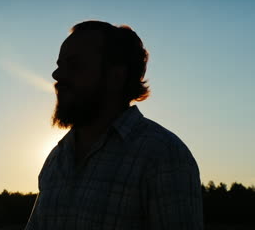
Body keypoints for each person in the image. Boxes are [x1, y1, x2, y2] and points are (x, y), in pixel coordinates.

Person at [25, 20, 203, 229]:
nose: (57, 75)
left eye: (74, 65)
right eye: (59, 66)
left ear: (116, 77)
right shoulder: (57, 158)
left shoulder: (163, 155)